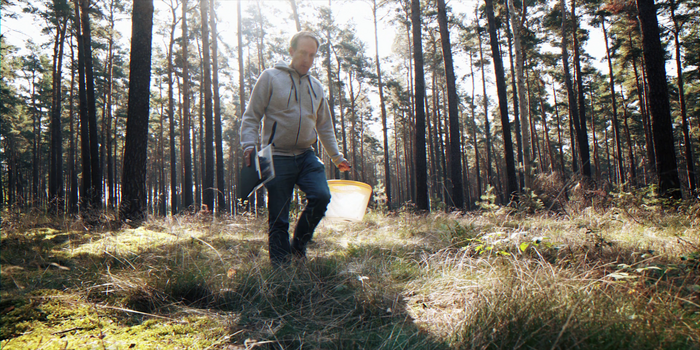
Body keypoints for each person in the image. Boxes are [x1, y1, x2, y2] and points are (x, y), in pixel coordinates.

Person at [239, 31, 351, 266]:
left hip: (306, 156)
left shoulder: (317, 87)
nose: (307, 60)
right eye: (302, 53)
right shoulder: (270, 77)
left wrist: (336, 156)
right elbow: (251, 116)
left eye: (312, 55)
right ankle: (281, 270)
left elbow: (325, 127)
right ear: (291, 51)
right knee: (279, 216)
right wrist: (248, 145)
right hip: (276, 156)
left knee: (321, 196)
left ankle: (298, 247)